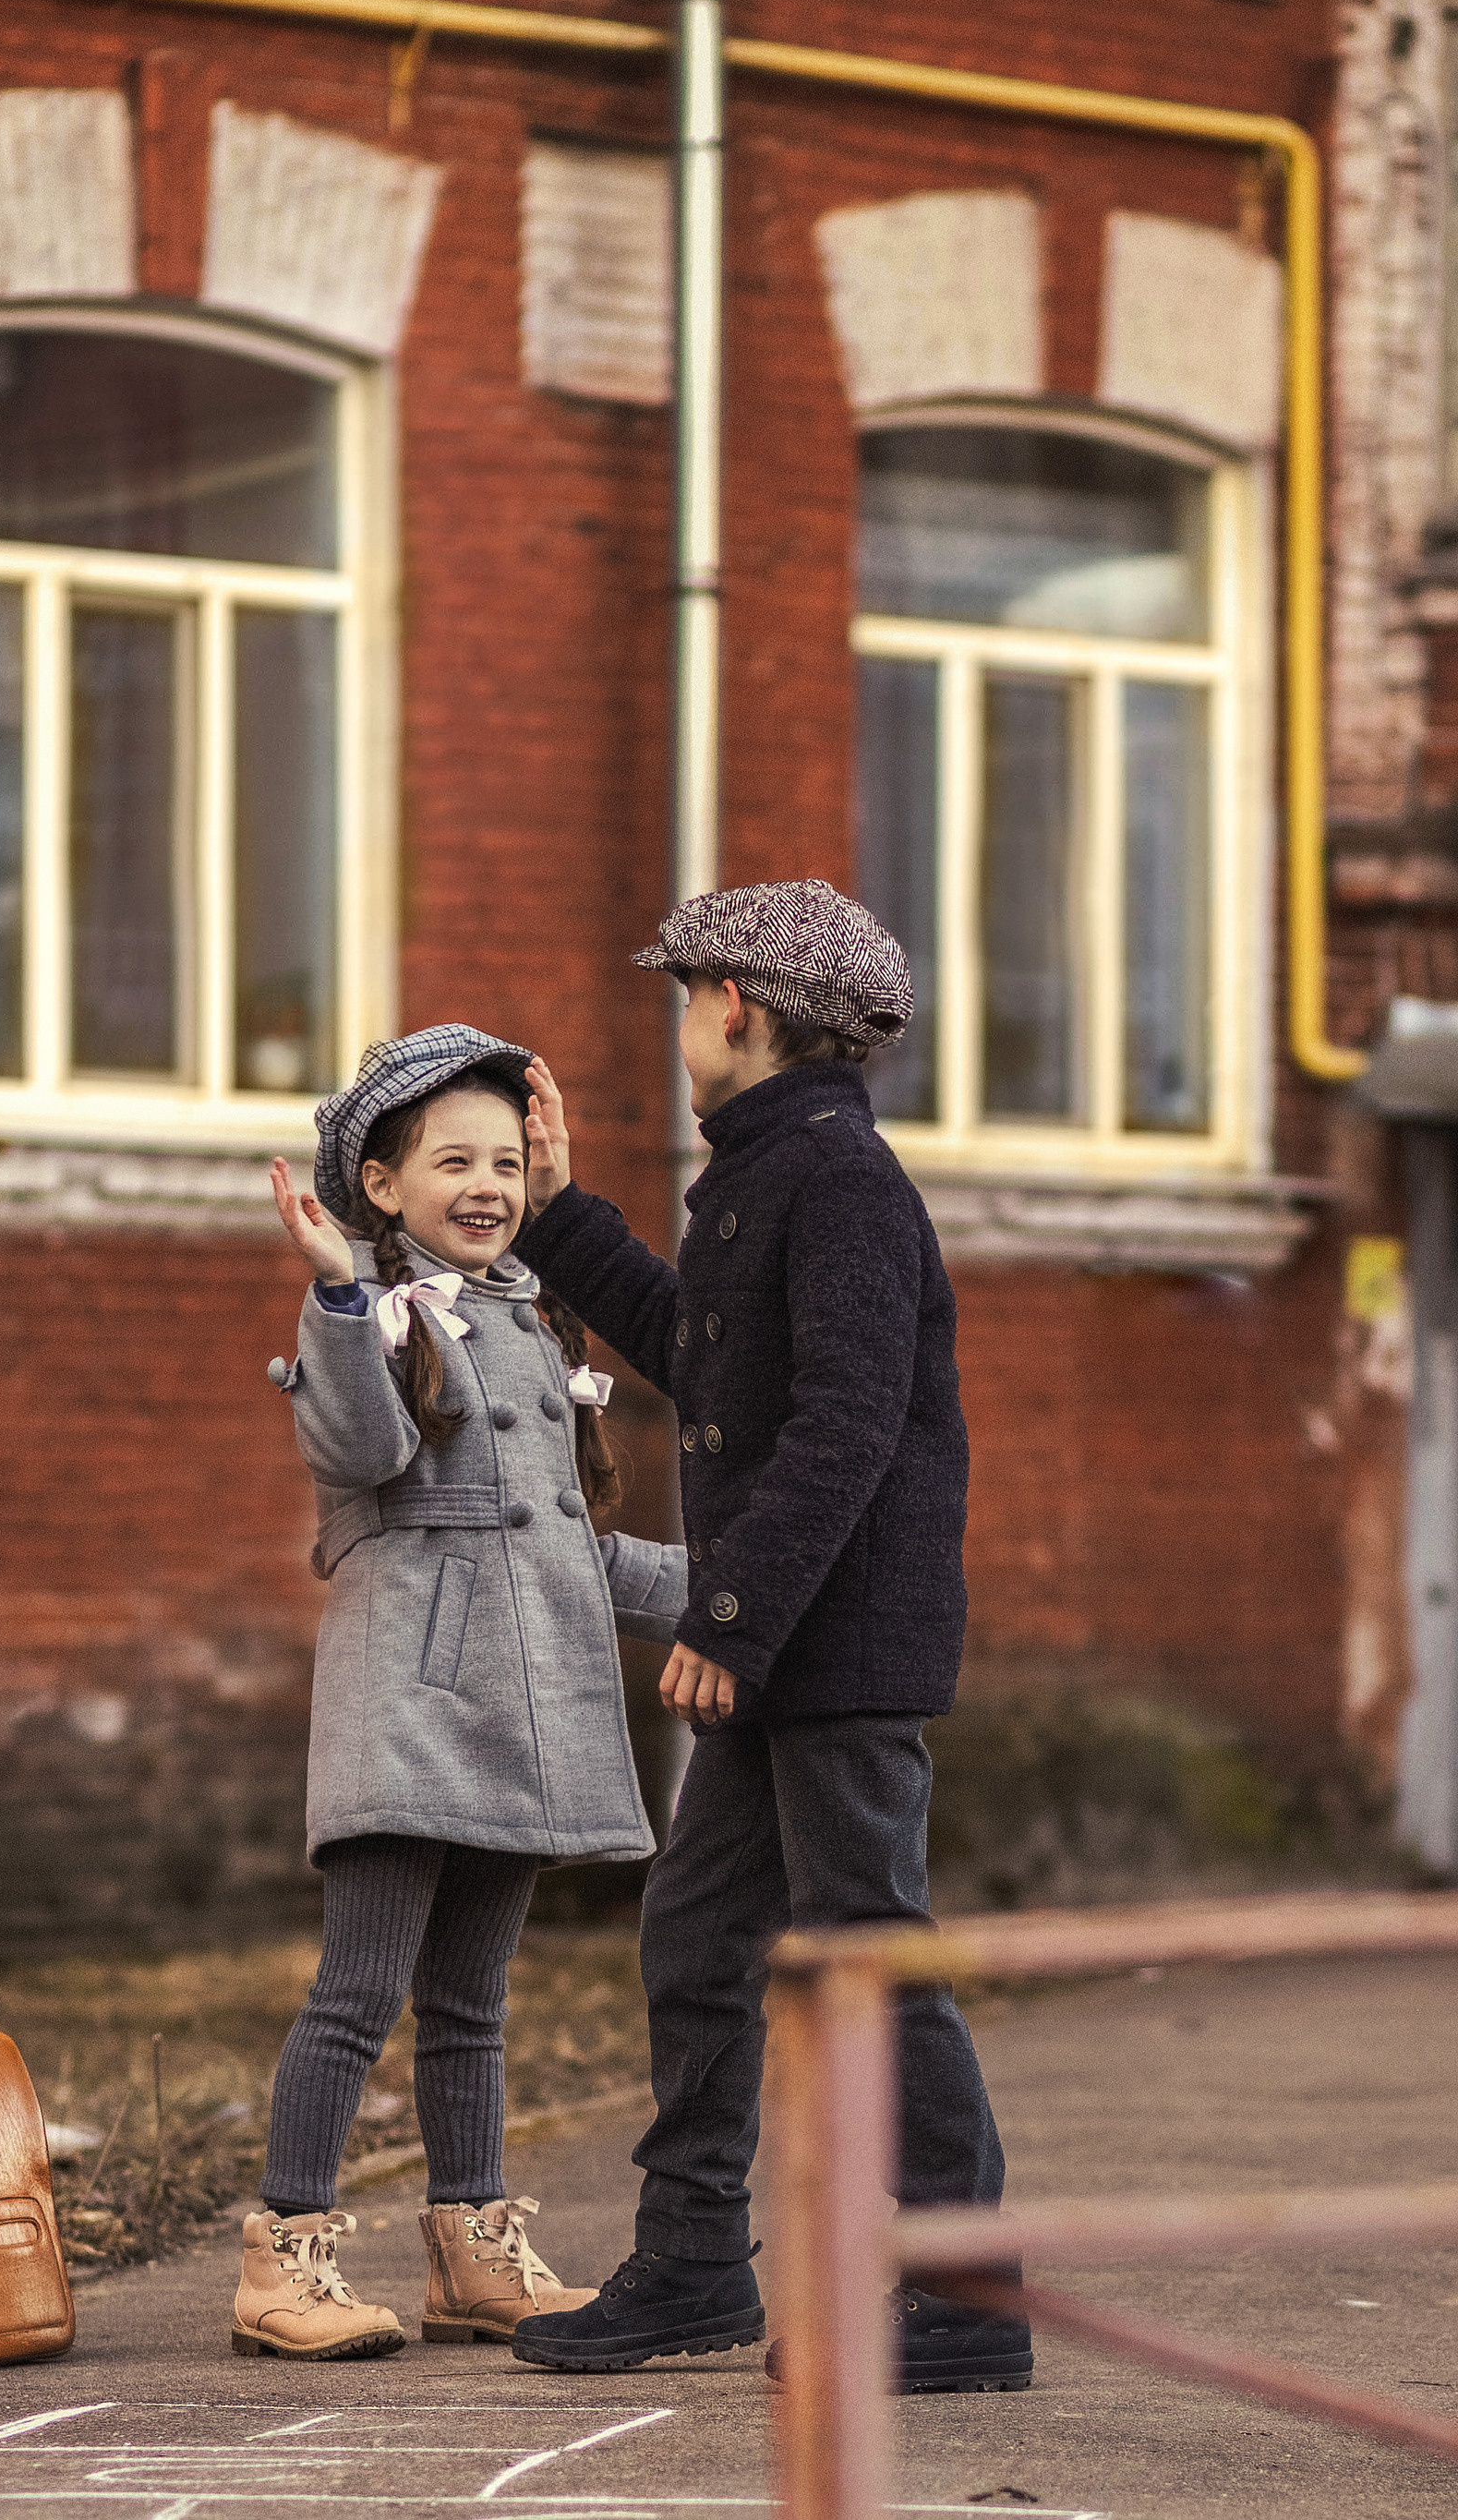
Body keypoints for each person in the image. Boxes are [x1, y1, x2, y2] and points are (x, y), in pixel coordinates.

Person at [508, 883, 1030, 2394]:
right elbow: (701, 1355)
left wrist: (728, 1619)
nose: (681, 1026)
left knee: (872, 1946)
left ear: (734, 1002)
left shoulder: (841, 1184)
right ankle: (688, 2263)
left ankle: (967, 2296)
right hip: (790, 1639)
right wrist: (559, 1218)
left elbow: (849, 1425)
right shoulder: (771, 1177)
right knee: (699, 1931)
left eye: (685, 997)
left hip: (835, 1642)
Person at [235, 1022, 686, 2362]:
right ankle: (287, 2255)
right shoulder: (371, 1314)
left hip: (521, 1711)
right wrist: (329, 1294)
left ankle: (471, 2249)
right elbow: (363, 1447)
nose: (485, 1184)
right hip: (409, 1707)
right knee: (357, 1990)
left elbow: (571, 1544)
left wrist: (739, 1589)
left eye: (505, 1159)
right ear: (383, 1184)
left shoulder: (534, 1315)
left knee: (475, 2002)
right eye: (453, 1161)